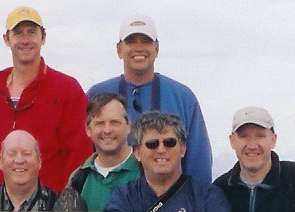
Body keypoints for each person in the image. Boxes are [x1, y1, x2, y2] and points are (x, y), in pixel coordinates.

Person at [0, 6, 92, 194]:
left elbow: (80, 155)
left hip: (51, 211)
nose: (25, 40)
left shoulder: (67, 89)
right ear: (6, 39)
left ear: (43, 37)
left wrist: (62, 202)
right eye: (18, 33)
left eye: (32, 32)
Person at [87, 15, 213, 182]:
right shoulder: (96, 94)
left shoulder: (183, 97)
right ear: (119, 49)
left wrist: (199, 200)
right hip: (109, 198)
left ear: (157, 48)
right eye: (131, 41)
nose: (139, 48)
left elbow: (199, 160)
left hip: (170, 200)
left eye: (146, 41)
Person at [68, 93, 140, 212]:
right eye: (100, 123)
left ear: (128, 126)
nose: (107, 130)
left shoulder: (146, 170)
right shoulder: (78, 179)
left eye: (115, 122)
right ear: (88, 130)